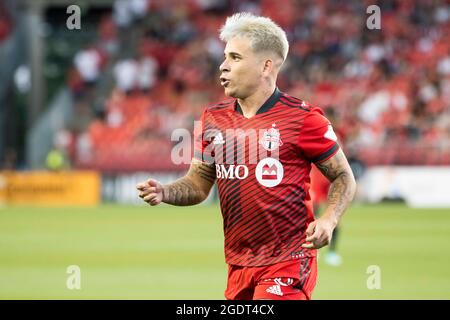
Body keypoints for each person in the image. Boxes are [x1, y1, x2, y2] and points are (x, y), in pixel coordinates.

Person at [137, 13, 356, 300]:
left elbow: (343, 176)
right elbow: (199, 183)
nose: (223, 66)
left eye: (235, 57)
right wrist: (165, 191)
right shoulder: (212, 119)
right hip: (238, 263)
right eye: (225, 57)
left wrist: (328, 220)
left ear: (266, 66)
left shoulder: (303, 119)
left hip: (288, 260)